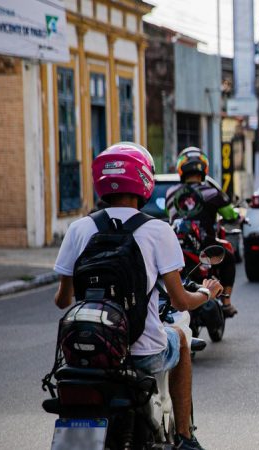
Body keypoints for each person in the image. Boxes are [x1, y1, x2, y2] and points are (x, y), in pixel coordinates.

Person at [53, 142, 221, 450]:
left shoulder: (78, 229)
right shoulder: (157, 231)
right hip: (143, 353)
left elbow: (63, 301)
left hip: (84, 354)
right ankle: (185, 437)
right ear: (144, 180)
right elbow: (181, 301)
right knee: (181, 340)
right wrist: (206, 294)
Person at [166, 147, 240, 317]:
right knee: (228, 257)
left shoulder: (171, 193)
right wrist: (237, 216)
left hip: (177, 248)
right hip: (205, 247)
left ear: (181, 169)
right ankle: (226, 302)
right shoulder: (212, 192)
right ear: (203, 169)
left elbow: (168, 215)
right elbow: (229, 213)